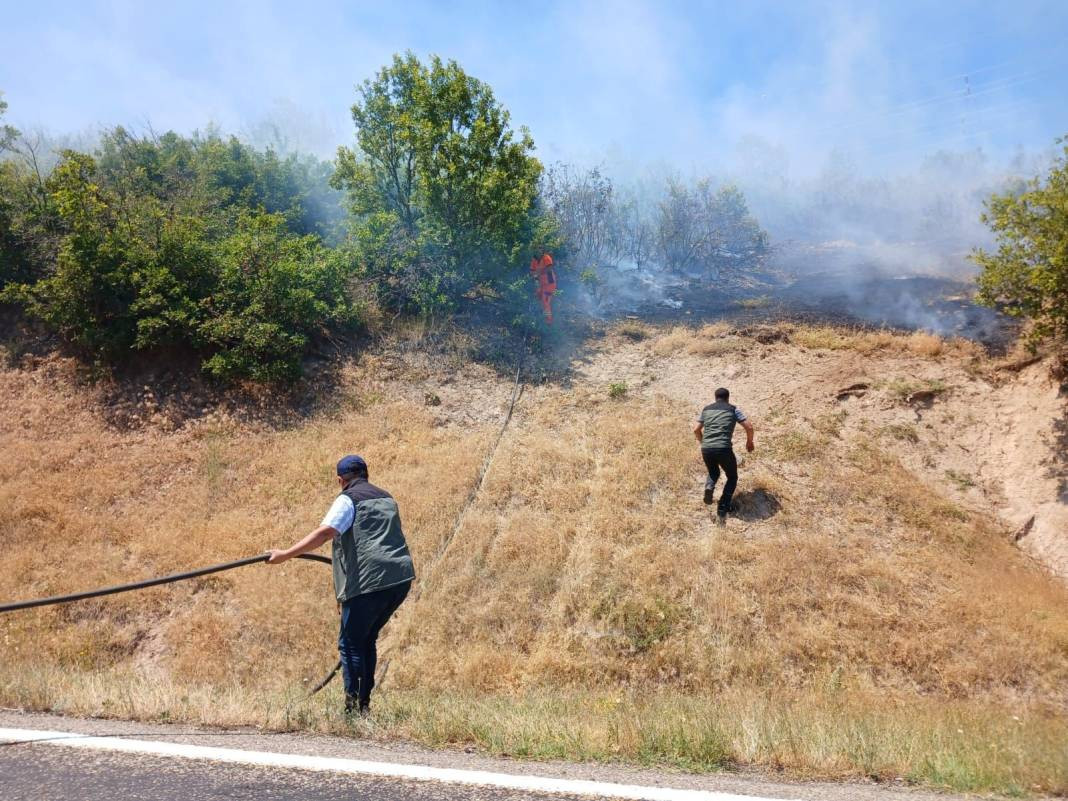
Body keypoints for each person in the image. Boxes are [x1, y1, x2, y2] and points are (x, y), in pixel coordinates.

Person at [267, 455, 415, 715]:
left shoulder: (347, 500)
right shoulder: (386, 498)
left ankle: (355, 709)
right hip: (399, 580)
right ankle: (363, 707)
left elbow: (326, 533)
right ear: (366, 474)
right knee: (365, 639)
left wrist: (285, 554)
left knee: (351, 644)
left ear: (340, 480)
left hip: (371, 582)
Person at [694, 388, 755, 524]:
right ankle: (723, 506)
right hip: (723, 448)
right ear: (728, 398)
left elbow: (696, 429)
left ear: (715, 398)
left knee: (713, 471)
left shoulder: (706, 409)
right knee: (732, 477)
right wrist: (749, 442)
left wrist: (704, 442)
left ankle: (709, 487)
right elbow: (749, 427)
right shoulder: (733, 409)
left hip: (706, 448)